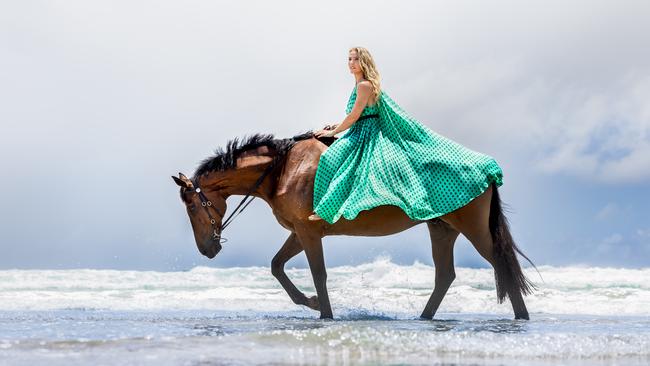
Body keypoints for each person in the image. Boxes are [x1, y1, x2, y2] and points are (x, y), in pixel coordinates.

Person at [308, 46, 503, 223]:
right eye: (349, 59)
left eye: (355, 59)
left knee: (329, 158)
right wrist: (333, 126)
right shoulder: (360, 85)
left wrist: (334, 131)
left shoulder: (364, 86)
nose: (351, 63)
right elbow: (356, 116)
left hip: (365, 134)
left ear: (364, 61)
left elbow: (354, 116)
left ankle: (326, 209)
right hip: (360, 128)